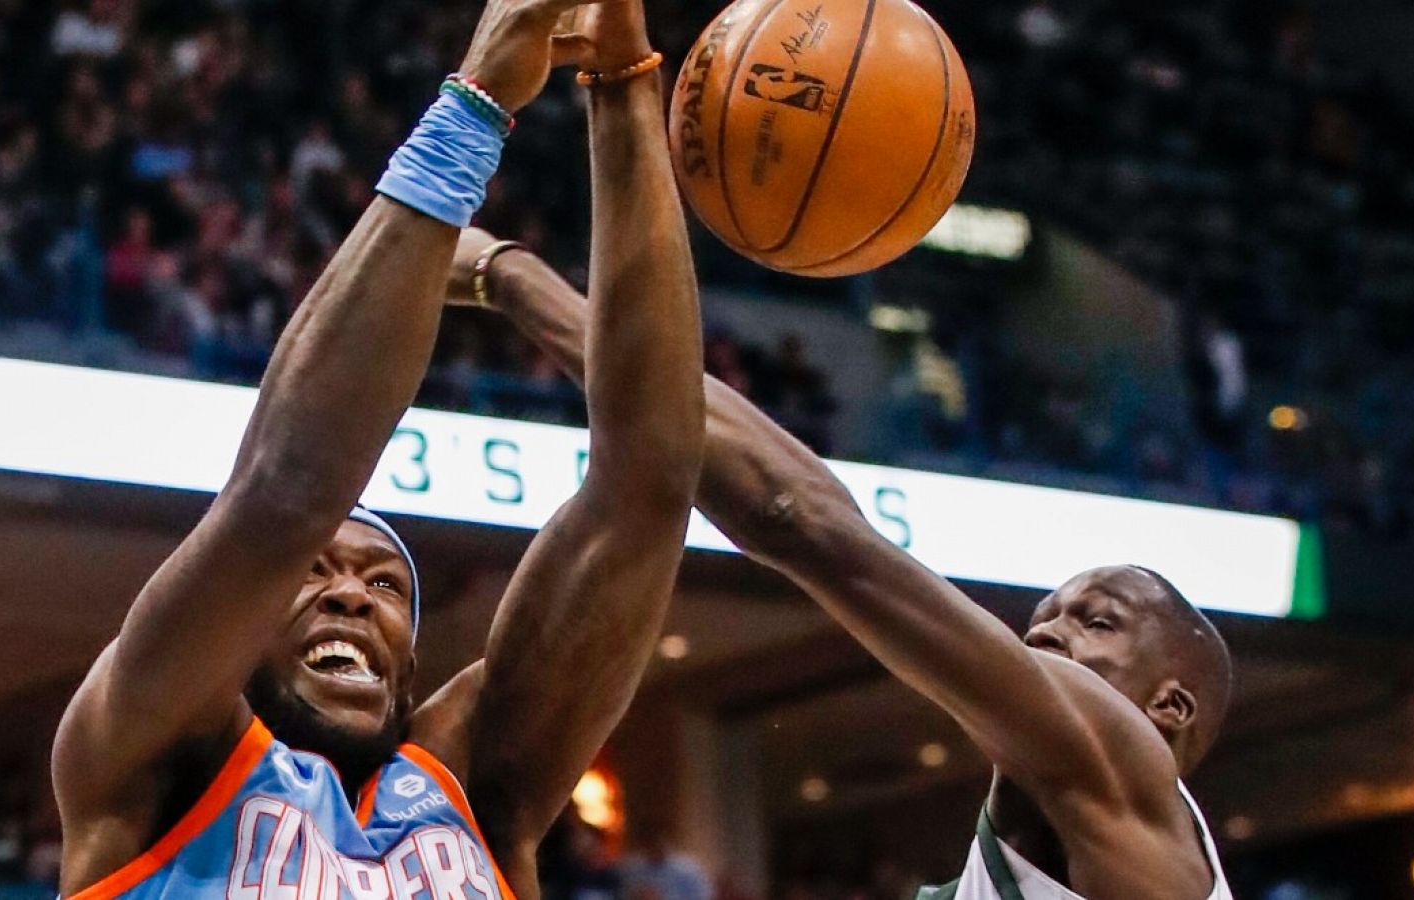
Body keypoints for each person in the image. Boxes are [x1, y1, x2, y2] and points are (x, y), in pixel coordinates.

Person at [50, 0, 706, 896]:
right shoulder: (144, 758)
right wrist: (472, 111)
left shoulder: (471, 793)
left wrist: (625, 88)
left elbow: (648, 485)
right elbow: (286, 498)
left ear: (410, 673)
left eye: (385, 584)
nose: (353, 597)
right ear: (231, 633)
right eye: (316, 575)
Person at [453, 232, 1236, 900]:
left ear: (1167, 707)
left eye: (1097, 622)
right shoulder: (1035, 858)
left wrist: (508, 276)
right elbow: (826, 522)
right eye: (1042, 620)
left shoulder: (1130, 776)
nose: (1046, 637)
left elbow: (805, 524)